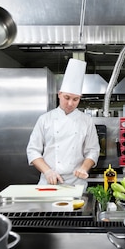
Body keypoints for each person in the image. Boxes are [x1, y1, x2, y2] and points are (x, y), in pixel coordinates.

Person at [26, 58, 100, 188]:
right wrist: (47, 171)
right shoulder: (45, 119)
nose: (70, 103)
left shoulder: (86, 121)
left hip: (76, 183)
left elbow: (93, 150)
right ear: (59, 94)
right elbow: (33, 151)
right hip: (49, 182)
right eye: (67, 98)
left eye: (75, 99)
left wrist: (84, 168)